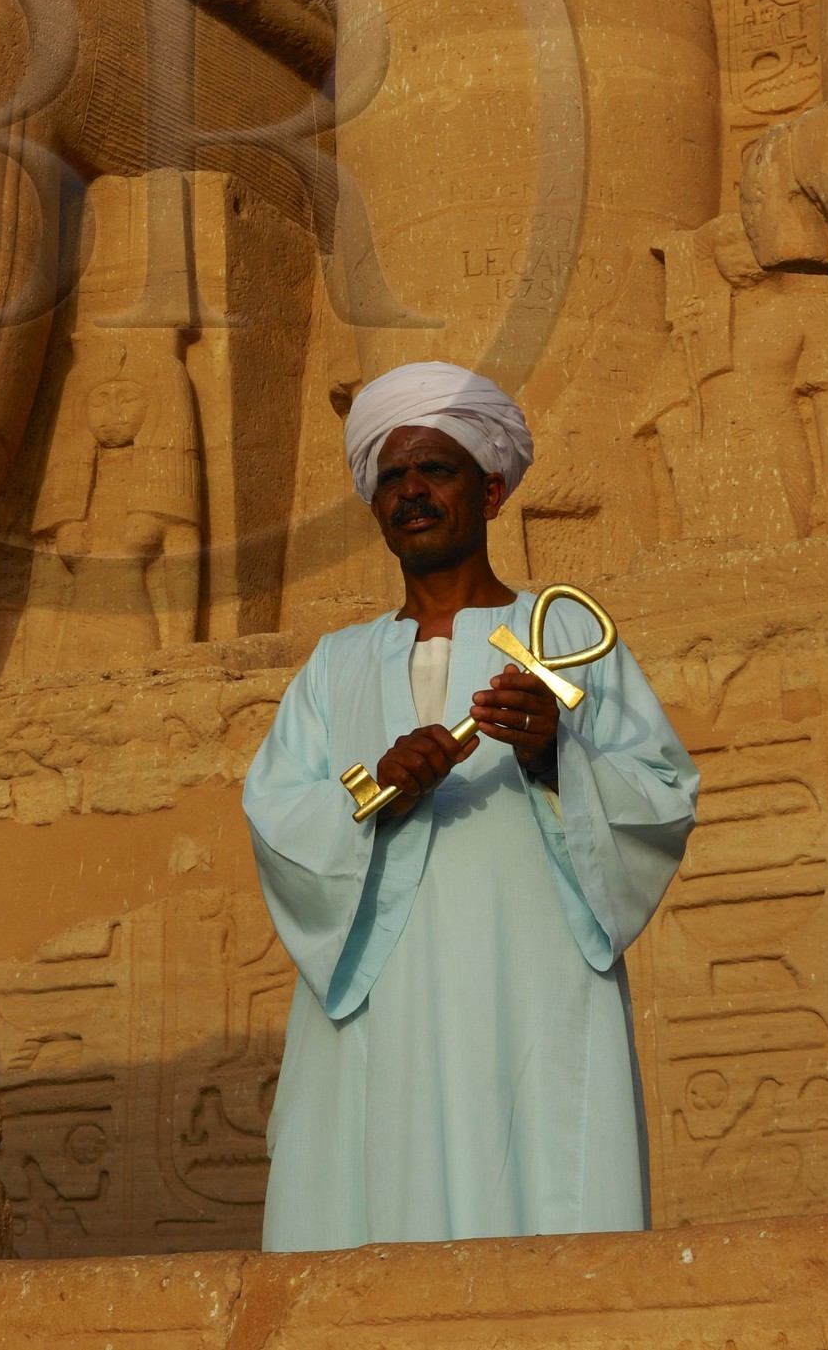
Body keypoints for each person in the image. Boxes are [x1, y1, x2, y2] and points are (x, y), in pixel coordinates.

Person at [243, 360, 699, 1247]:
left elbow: (661, 793)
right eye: (393, 477)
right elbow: (276, 817)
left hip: (528, 983)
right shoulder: (334, 666)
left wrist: (552, 754)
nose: (411, 491)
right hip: (379, 1003)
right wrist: (372, 792)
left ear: (489, 491)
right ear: (375, 505)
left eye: (435, 469)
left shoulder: (564, 633)